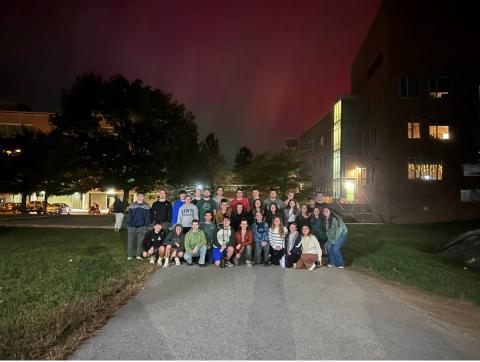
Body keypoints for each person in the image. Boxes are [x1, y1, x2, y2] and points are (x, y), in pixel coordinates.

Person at [127, 192, 150, 261]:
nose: (140, 196)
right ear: (137, 197)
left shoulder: (146, 206)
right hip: (132, 226)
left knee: (140, 242)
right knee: (130, 241)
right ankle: (129, 255)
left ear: (143, 197)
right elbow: (129, 216)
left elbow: (147, 217)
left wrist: (145, 226)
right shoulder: (132, 205)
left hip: (142, 226)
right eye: (139, 195)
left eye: (141, 195)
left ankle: (138, 255)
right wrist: (129, 225)